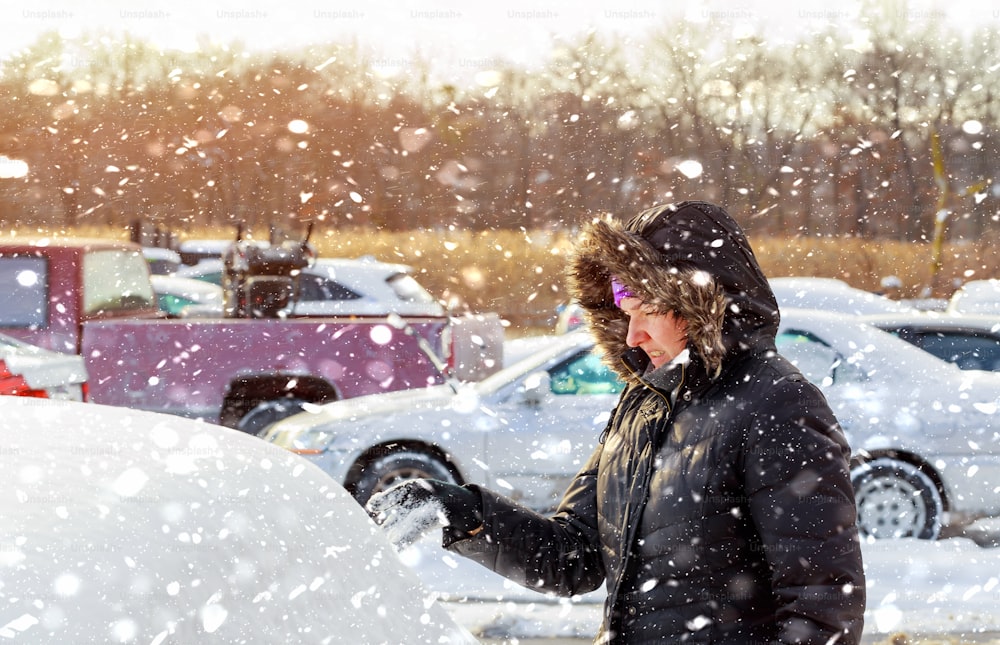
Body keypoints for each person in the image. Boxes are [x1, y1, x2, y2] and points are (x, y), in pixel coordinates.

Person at [368, 200, 867, 644]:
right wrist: (461, 511)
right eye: (624, 313)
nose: (631, 335)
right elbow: (574, 557)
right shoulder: (643, 404)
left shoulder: (777, 404)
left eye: (646, 310)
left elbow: (823, 608)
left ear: (698, 303)